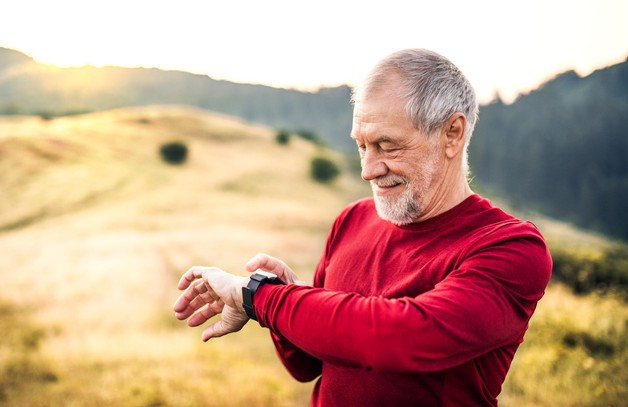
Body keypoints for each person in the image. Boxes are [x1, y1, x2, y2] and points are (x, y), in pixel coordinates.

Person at [173, 48, 552, 406]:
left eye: (387, 146)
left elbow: (402, 339)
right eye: (361, 146)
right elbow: (307, 366)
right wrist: (282, 301)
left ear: (451, 134)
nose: (368, 170)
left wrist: (261, 298)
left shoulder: (511, 248)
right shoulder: (352, 219)